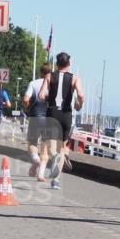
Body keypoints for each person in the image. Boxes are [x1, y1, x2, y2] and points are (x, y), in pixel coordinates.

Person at [39, 52, 84, 191]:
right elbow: (81, 95)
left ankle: (54, 159)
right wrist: (78, 104)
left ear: (57, 64)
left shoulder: (48, 76)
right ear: (69, 64)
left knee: (52, 145)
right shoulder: (74, 78)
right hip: (66, 114)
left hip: (52, 112)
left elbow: (41, 95)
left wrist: (48, 98)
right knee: (62, 148)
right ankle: (56, 181)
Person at [22, 63, 54, 180]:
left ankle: (35, 159)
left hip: (36, 116)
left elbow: (26, 99)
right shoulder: (54, 85)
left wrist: (27, 106)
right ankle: (41, 174)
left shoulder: (34, 83)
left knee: (32, 143)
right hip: (49, 119)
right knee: (45, 147)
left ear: (41, 72)